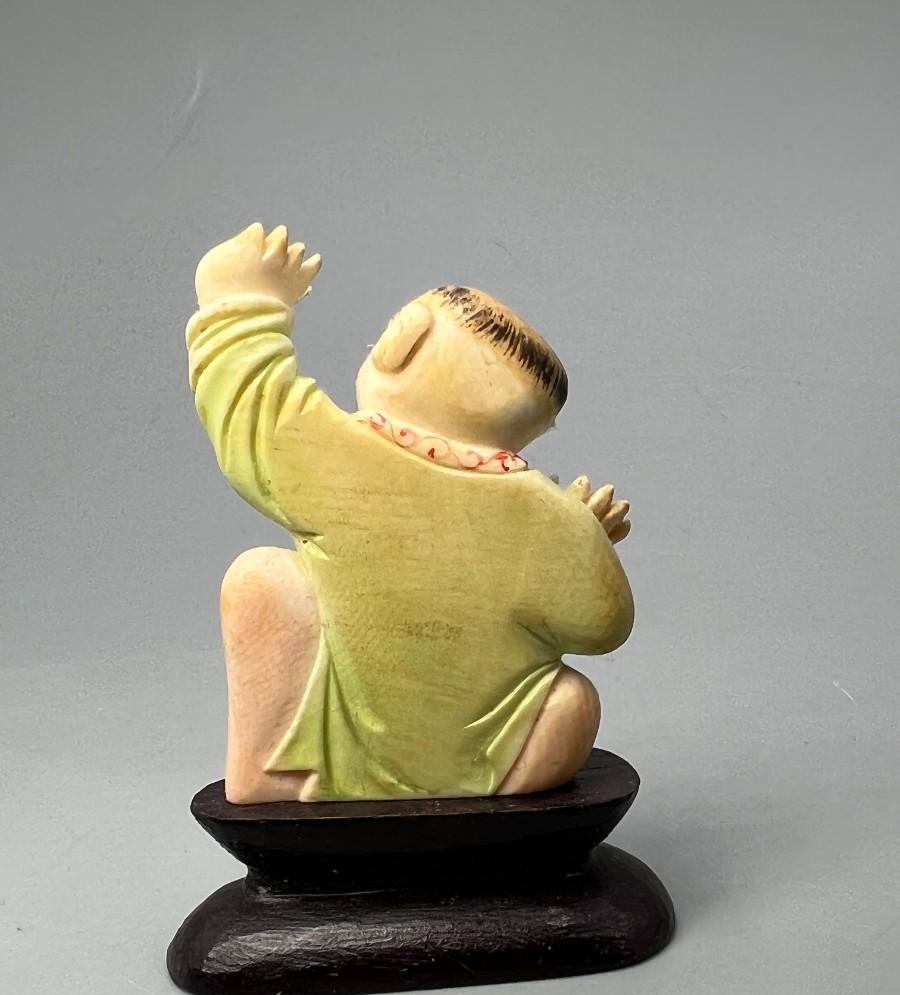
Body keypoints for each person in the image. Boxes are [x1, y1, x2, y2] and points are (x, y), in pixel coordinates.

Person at [187, 223, 633, 801]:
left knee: (259, 576)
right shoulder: (545, 514)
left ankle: (276, 773)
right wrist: (581, 544)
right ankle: (488, 801)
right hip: (483, 759)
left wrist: (240, 297)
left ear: (402, 343)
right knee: (571, 700)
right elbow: (601, 626)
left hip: (344, 750)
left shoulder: (339, 455)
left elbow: (250, 407)